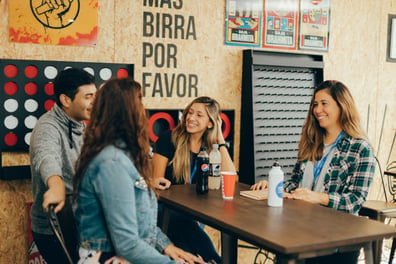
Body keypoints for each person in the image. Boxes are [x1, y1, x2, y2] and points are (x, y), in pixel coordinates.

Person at [73, 77, 204, 264]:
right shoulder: (112, 163)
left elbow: (140, 224)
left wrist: (167, 246)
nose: (144, 111)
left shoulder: (121, 155)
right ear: (128, 112)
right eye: (140, 102)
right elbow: (126, 244)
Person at [251, 80, 375, 264]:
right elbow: (296, 184)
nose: (317, 110)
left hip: (337, 242)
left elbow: (354, 201)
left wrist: (319, 197)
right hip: (299, 233)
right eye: (315, 104)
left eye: (324, 103)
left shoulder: (360, 148)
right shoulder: (310, 142)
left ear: (342, 105)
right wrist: (276, 186)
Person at [153, 96, 236, 263]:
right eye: (190, 113)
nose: (191, 118)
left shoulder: (211, 149)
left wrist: (220, 141)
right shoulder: (169, 138)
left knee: (188, 248)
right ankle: (215, 260)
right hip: (165, 211)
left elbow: (231, 179)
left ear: (211, 123)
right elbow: (156, 183)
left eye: (199, 115)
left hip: (194, 215)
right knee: (186, 226)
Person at [29, 67, 97, 264]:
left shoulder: (85, 126)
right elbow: (45, 157)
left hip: (81, 223)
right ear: (66, 100)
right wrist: (56, 184)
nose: (95, 102)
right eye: (88, 96)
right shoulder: (47, 127)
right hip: (54, 230)